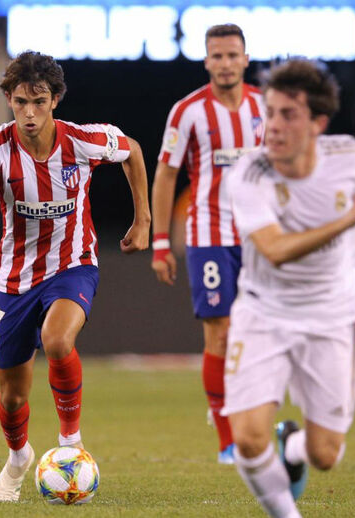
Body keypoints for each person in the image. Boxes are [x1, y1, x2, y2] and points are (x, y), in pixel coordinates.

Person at [0, 51, 150, 502]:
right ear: (8, 99)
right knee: (13, 397)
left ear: (55, 100)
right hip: (15, 276)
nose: (29, 112)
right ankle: (19, 456)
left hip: (73, 263)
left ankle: (70, 442)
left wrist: (144, 219)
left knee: (58, 340)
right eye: (21, 102)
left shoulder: (82, 140)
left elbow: (132, 150)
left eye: (39, 101)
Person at [224, 59, 355, 518]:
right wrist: (348, 221)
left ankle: (294, 445)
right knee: (246, 438)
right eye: (270, 113)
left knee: (326, 454)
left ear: (318, 124)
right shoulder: (248, 174)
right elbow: (277, 249)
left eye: (288, 115)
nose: (273, 127)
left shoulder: (348, 155)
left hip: (330, 317)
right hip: (264, 313)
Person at [149, 23, 265, 464]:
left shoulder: (264, 108)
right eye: (217, 56)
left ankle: (242, 412)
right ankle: (226, 439)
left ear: (245, 59)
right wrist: (161, 243)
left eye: (232, 55)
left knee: (256, 335)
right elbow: (166, 174)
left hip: (259, 237)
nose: (225, 63)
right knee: (218, 332)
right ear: (206, 61)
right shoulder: (188, 112)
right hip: (209, 236)